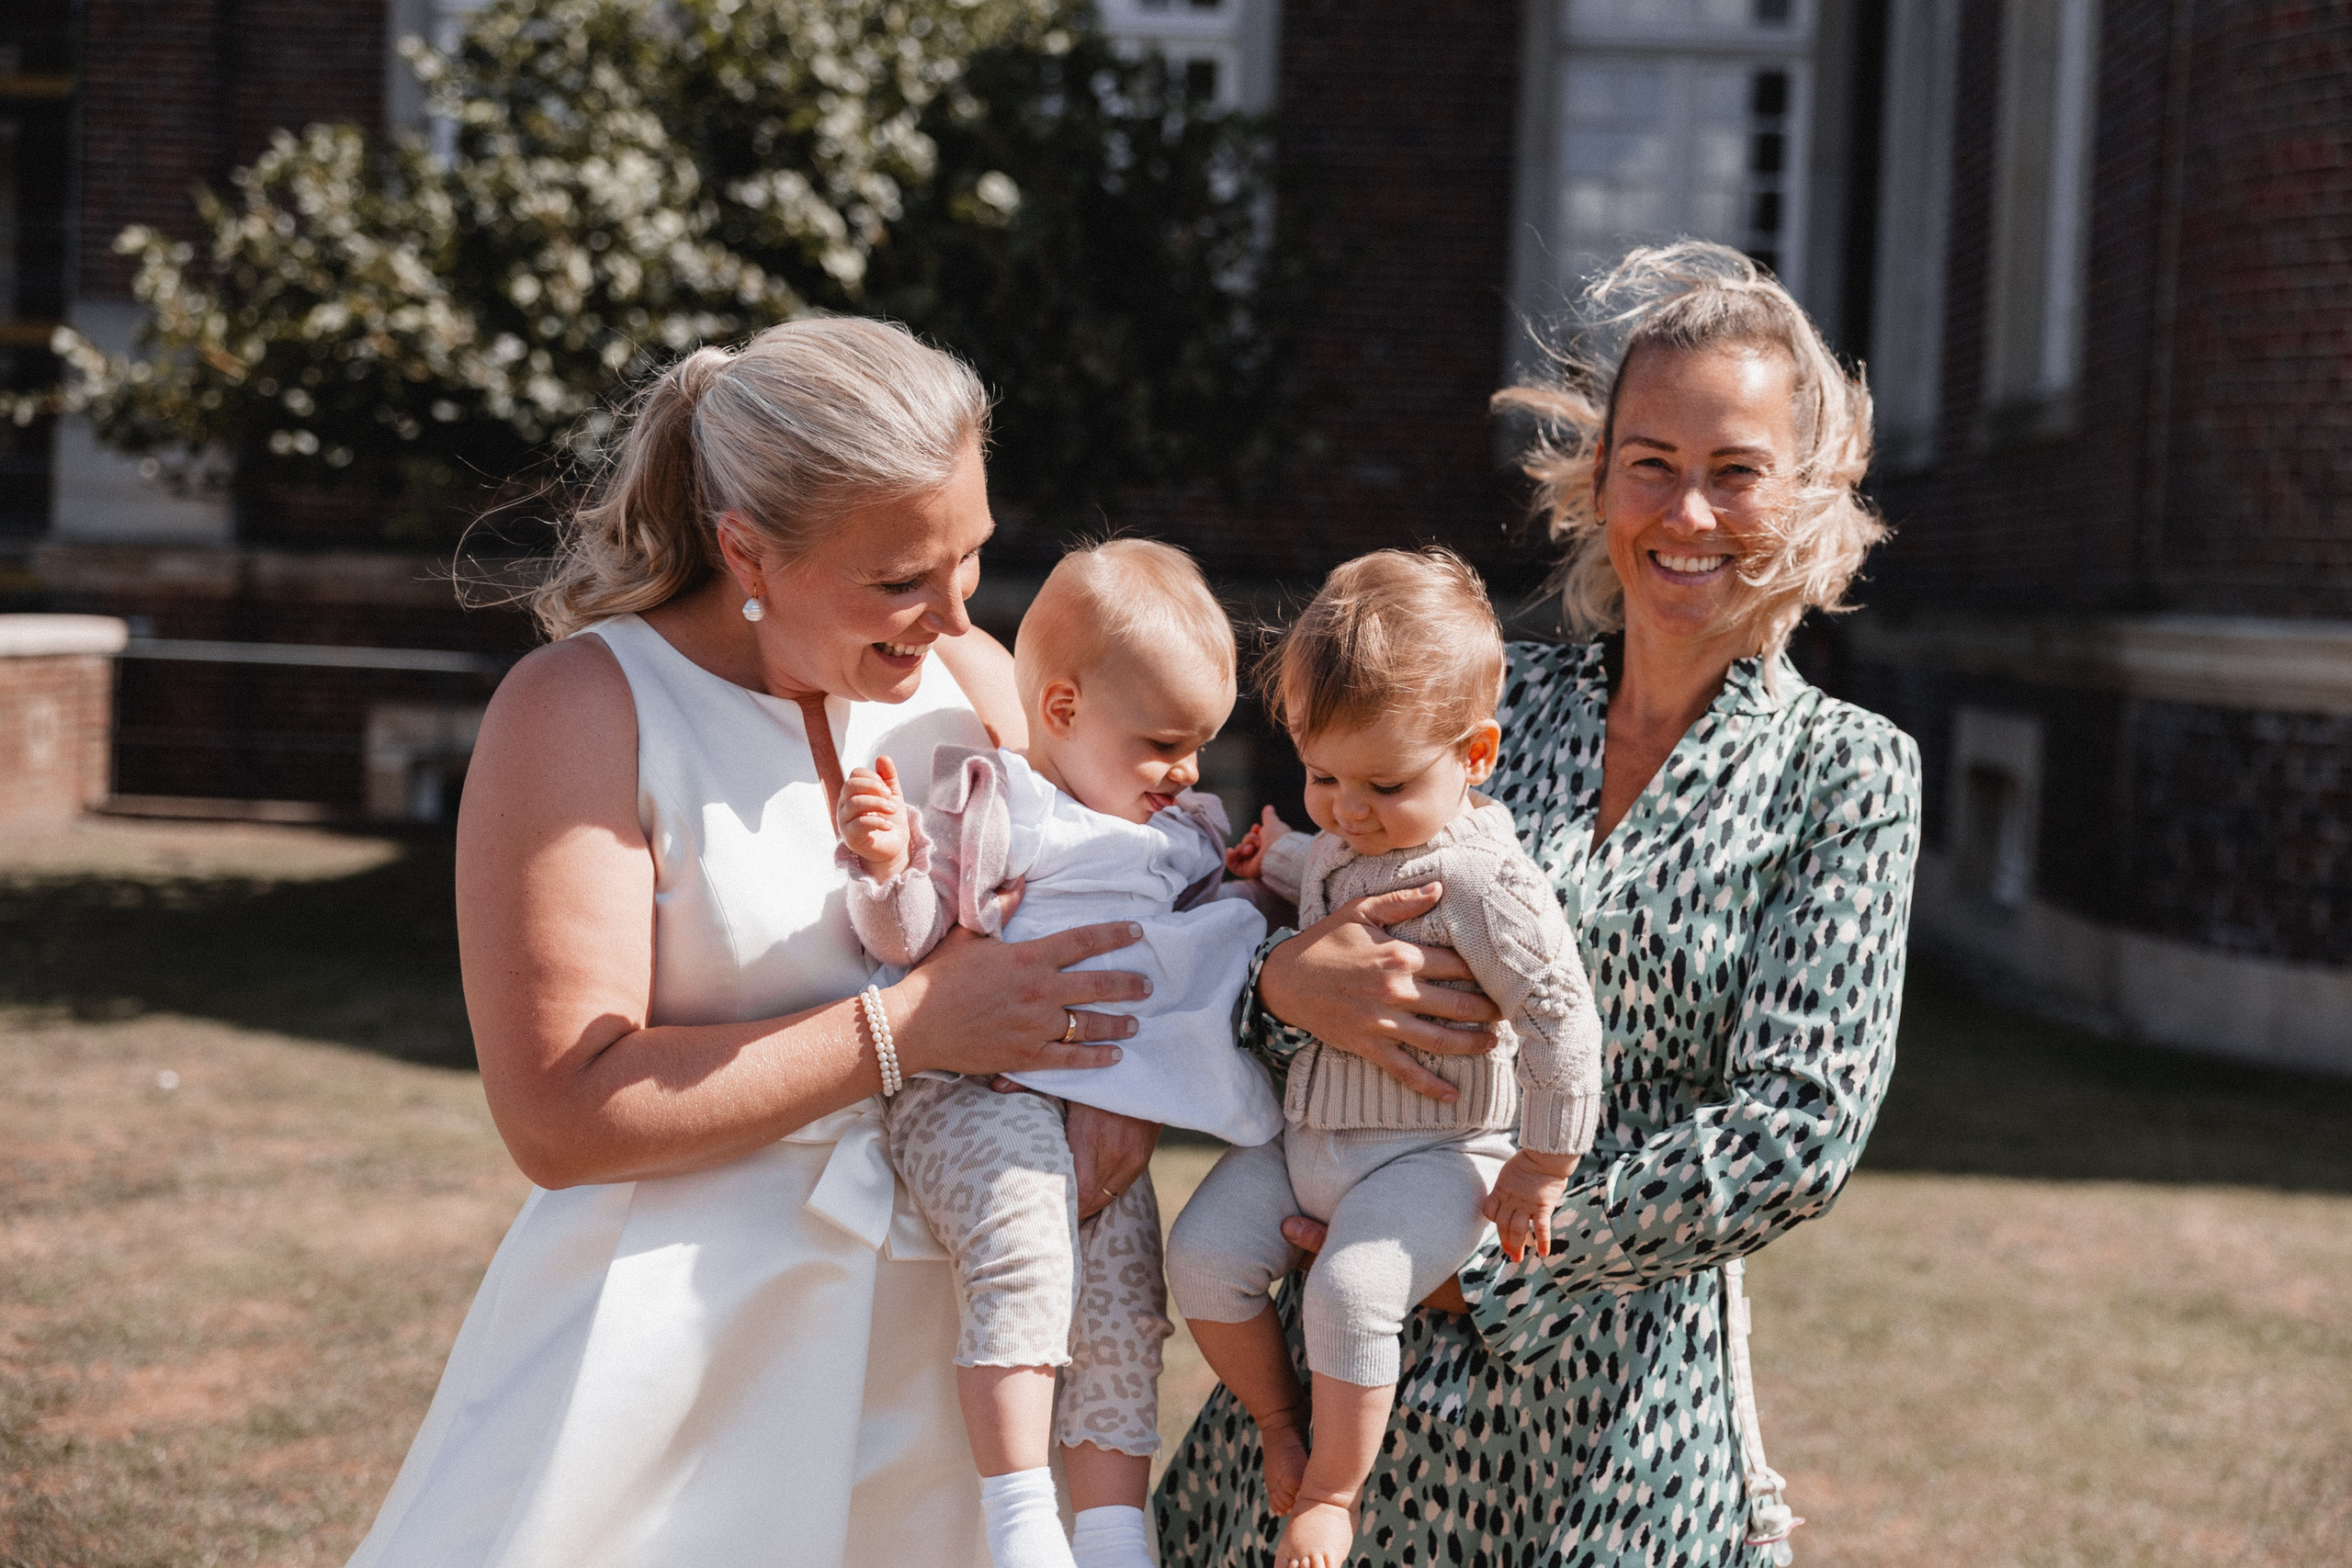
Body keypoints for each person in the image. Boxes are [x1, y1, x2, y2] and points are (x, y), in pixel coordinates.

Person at [345, 317, 1162, 1568]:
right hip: (687, 1351)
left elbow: (1108, 911)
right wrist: (907, 1027)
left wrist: (1128, 1090)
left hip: (957, 1362)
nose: (953, 611)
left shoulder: (979, 679)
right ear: (747, 549)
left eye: (971, 556)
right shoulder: (584, 708)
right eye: (900, 579)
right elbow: (560, 1115)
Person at [1155, 241, 1923, 1567]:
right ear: (1599, 474)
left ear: (1804, 493)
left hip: (1606, 1434)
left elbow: (1798, 1129)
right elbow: (1295, 907)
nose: (1686, 513)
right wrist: (1280, 988)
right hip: (1340, 1409)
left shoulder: (1847, 773)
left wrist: (1498, 1262)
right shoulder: (1483, 698)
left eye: (1734, 471)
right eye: (1652, 463)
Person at [833, 537, 1281, 1568]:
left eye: (1198, 746)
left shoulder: (1179, 836)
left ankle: (1117, 1531)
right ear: (1068, 712)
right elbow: (904, 943)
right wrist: (890, 862)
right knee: (1028, 1250)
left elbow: (1215, 954)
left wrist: (1266, 878)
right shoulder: (999, 809)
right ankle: (1021, 1516)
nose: (1186, 771)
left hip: (1098, 1106)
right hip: (970, 1095)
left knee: (1127, 1297)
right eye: (1164, 743)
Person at [1162, 547, 1605, 1568]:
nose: (1350, 808)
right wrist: (1268, 855)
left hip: (1434, 1156)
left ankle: (1331, 1491)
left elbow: (1560, 1018)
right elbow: (1321, 869)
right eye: (1322, 774)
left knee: (1350, 1293)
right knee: (1201, 1255)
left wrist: (1542, 1164)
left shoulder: (1486, 883)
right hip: (1310, 1134)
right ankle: (1279, 1422)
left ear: (1477, 755)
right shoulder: (1346, 832)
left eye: (1385, 782)